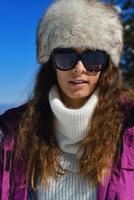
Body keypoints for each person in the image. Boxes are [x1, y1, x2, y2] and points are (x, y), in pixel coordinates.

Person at [0, 0, 134, 199]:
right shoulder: (14, 134)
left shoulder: (129, 131)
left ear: (105, 67)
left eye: (93, 58)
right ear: (51, 64)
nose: (79, 68)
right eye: (65, 56)